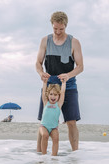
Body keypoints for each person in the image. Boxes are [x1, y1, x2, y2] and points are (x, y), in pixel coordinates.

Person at [36, 11, 84, 152]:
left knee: (71, 122)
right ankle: (39, 156)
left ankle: (75, 155)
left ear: (65, 26)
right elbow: (38, 63)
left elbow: (80, 67)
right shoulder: (45, 40)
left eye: (61, 29)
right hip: (49, 85)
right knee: (44, 122)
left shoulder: (74, 42)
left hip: (68, 85)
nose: (57, 32)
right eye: (55, 28)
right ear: (52, 25)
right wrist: (40, 73)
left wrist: (69, 75)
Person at [38, 78, 66, 156]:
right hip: (44, 126)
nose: (53, 96)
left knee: (56, 138)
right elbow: (43, 92)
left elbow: (63, 92)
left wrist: (64, 83)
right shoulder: (46, 102)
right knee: (45, 135)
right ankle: (44, 155)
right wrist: (45, 82)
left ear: (58, 96)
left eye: (55, 94)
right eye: (51, 94)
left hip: (54, 127)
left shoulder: (59, 104)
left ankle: (54, 157)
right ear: (48, 94)